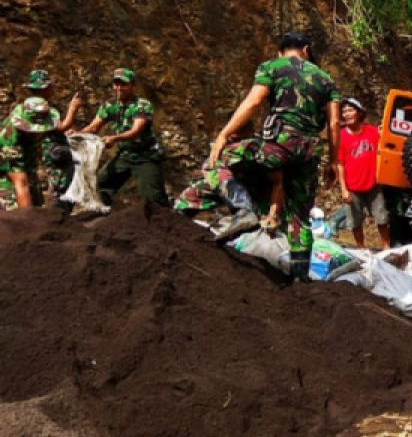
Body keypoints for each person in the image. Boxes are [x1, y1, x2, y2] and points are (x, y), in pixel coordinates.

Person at [176, 31, 340, 279]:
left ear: (280, 52)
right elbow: (335, 123)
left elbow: (254, 102)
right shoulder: (327, 79)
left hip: (277, 147)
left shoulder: (273, 66)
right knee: (299, 216)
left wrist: (223, 135)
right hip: (308, 155)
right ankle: (300, 277)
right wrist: (334, 162)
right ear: (306, 50)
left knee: (217, 158)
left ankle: (244, 210)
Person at [78, 68, 170, 206]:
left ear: (133, 86)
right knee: (100, 184)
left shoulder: (142, 106)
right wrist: (77, 134)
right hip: (125, 155)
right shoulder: (110, 105)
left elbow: (136, 131)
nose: (119, 88)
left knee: (153, 199)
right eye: (116, 84)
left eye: (124, 84)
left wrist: (114, 138)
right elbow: (93, 127)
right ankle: (105, 214)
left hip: (146, 156)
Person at [336, 96, 391, 249]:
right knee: (355, 221)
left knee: (382, 218)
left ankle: (386, 247)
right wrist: (343, 189)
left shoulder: (372, 131)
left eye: (350, 110)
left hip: (374, 184)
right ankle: (361, 248)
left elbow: (386, 146)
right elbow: (340, 165)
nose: (347, 114)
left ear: (359, 113)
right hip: (352, 186)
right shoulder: (341, 136)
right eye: (344, 111)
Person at [23, 70, 83, 205]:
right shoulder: (44, 108)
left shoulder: (28, 107)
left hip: (43, 152)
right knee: (63, 184)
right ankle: (57, 214)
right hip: (54, 151)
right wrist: (73, 107)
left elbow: (51, 130)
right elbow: (62, 126)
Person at [0, 97, 60, 210]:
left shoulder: (32, 124)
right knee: (14, 212)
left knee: (37, 204)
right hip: (6, 176)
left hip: (27, 169)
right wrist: (29, 221)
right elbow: (20, 182)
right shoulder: (11, 141)